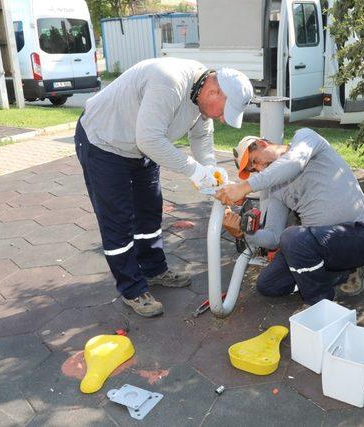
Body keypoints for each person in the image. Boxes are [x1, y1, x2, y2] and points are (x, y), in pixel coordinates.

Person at [75, 57, 253, 317]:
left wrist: (211, 168)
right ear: (214, 91)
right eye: (224, 111)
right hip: (105, 142)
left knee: (149, 211)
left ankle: (153, 269)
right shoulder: (169, 82)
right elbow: (148, 138)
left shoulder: (201, 94)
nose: (223, 119)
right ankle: (132, 288)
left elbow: (202, 135)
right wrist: (193, 170)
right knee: (119, 219)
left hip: (142, 149)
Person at [216, 129, 364, 307]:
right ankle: (344, 273)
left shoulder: (305, 138)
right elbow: (273, 238)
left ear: (263, 144)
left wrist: (245, 187)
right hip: (319, 246)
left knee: (292, 236)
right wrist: (242, 232)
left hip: (358, 234)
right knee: (268, 284)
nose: (260, 168)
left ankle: (319, 304)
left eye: (255, 161)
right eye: (254, 170)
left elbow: (293, 163)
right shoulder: (274, 188)